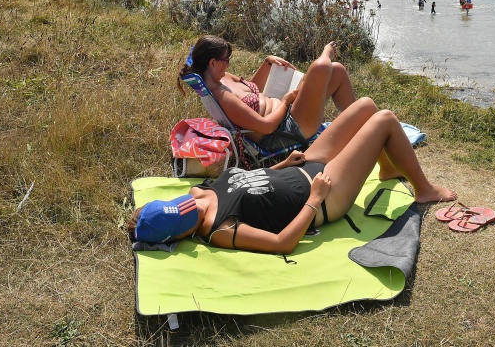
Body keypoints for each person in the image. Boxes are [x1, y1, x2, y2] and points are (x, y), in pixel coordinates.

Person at [128, 98, 457, 252]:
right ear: (179, 235)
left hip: (300, 167)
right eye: (185, 218)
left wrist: (282, 165)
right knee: (384, 119)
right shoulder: (220, 230)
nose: (190, 208)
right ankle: (423, 190)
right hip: (326, 193)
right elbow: (282, 243)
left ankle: (387, 168)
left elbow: (249, 181)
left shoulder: (197, 193)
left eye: (180, 206)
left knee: (366, 106)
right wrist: (315, 201)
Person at [178, 35, 355, 150]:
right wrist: (285, 101)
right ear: (212, 62)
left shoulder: (222, 77)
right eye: (226, 60)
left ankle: (361, 124)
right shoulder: (222, 97)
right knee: (321, 67)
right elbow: (266, 126)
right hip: (285, 132)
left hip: (287, 116)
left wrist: (267, 64)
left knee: (337, 71)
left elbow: (250, 90)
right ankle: (327, 53)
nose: (229, 64)